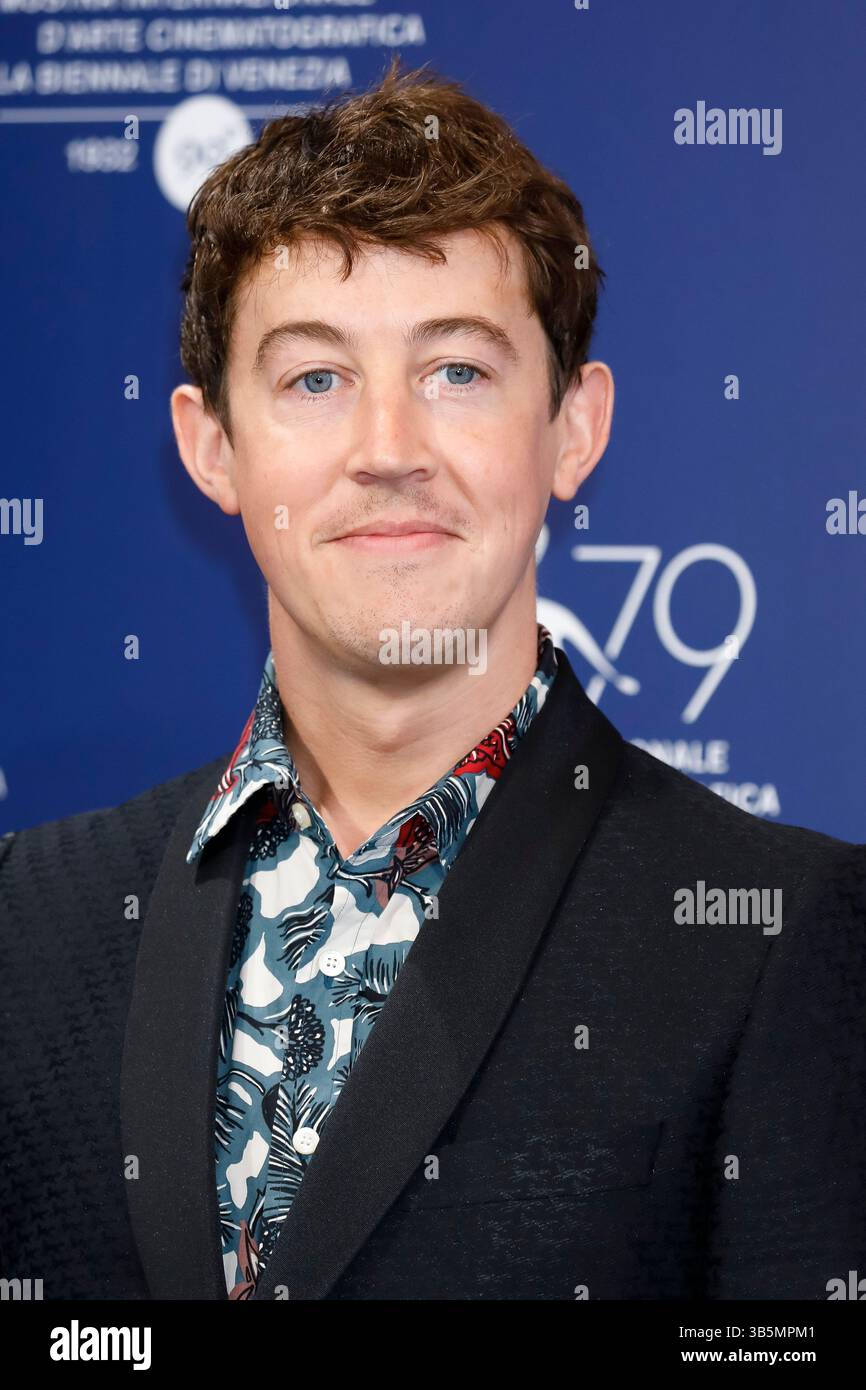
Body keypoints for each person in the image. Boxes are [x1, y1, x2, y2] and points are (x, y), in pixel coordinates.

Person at [1, 58, 864, 1302]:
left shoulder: (771, 933)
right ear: (211, 447)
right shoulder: (34, 916)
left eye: (456, 370)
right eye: (314, 379)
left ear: (572, 428)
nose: (387, 450)